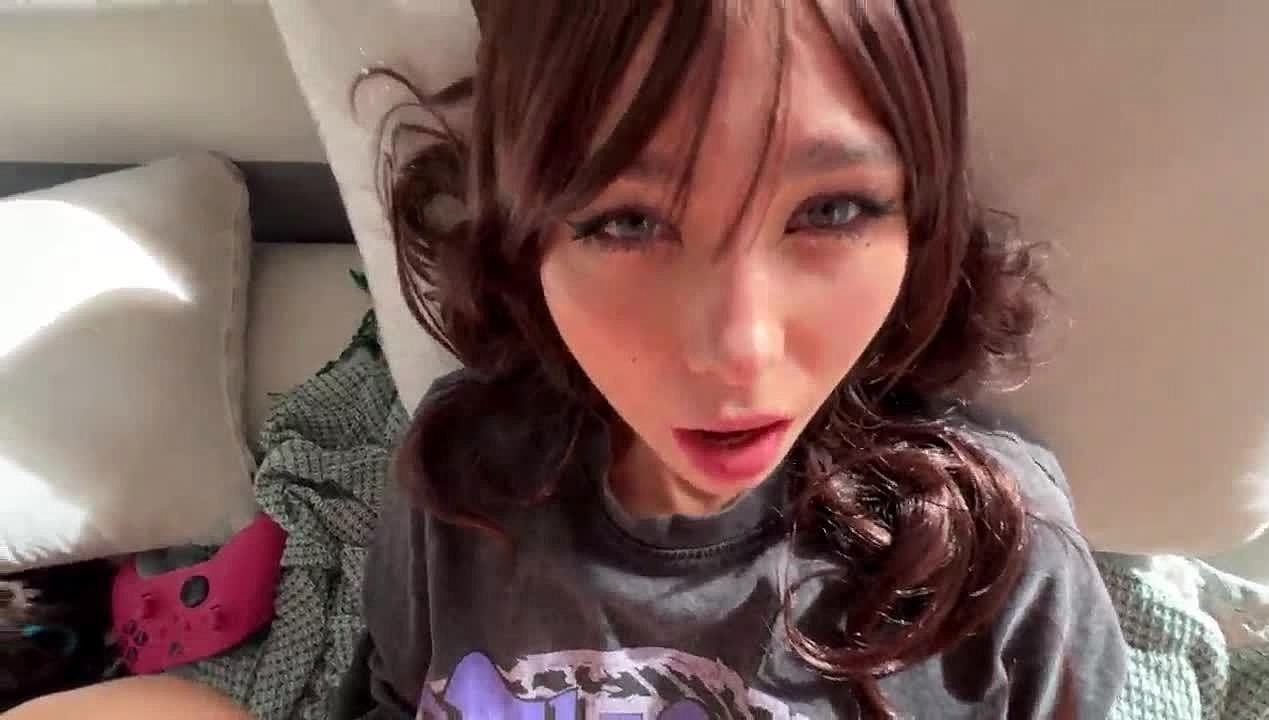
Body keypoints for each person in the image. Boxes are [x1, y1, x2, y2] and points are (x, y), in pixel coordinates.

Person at [7, 1, 1127, 718]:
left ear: (918, 222)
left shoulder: (992, 557)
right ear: (527, 235)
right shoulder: (459, 478)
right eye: (628, 223)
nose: (737, 352)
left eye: (831, 210)